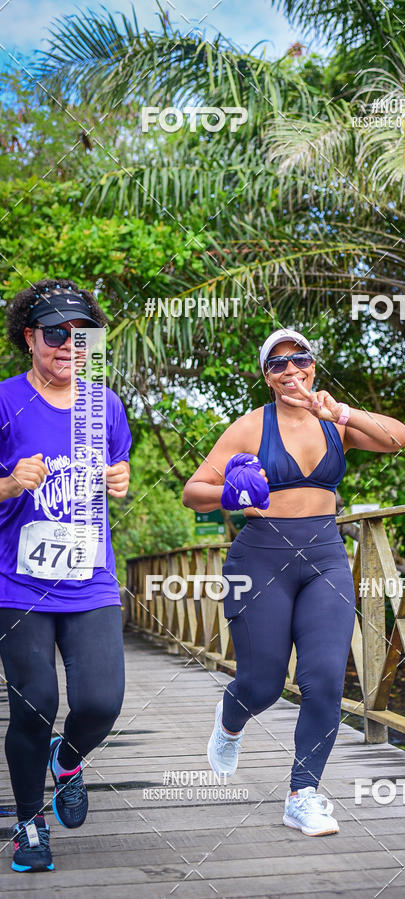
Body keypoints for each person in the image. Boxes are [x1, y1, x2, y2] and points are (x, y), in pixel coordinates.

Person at [183, 327, 405, 836]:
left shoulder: (335, 421)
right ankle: (230, 719)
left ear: (312, 365)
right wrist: (230, 495)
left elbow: (399, 438)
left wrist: (342, 413)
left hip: (325, 558)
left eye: (299, 359)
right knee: (262, 684)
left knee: (324, 680)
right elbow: (193, 491)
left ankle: (302, 795)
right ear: (267, 377)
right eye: (277, 364)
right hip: (259, 560)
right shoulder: (250, 426)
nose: (290, 370)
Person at [0, 279, 132, 872]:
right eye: (56, 334)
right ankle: (29, 824)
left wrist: (120, 478)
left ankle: (69, 759)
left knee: (101, 702)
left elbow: (117, 466)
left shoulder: (105, 406)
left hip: (90, 578)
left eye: (83, 338)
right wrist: (10, 483)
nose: (68, 347)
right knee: (34, 705)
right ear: (30, 338)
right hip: (18, 582)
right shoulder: (5, 401)